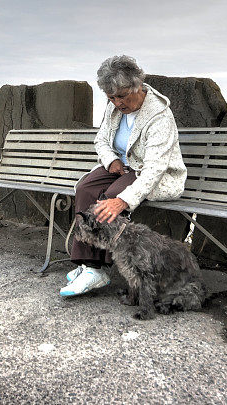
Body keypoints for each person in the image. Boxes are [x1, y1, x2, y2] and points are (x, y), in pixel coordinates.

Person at [60, 55, 187, 296]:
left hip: (155, 174)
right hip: (124, 168)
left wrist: (123, 201)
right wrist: (112, 160)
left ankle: (101, 268)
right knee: (86, 188)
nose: (117, 102)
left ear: (137, 86)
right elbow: (101, 140)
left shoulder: (159, 116)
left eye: (121, 96)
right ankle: (88, 265)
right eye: (111, 97)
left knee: (111, 198)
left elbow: (155, 169)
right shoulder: (114, 107)